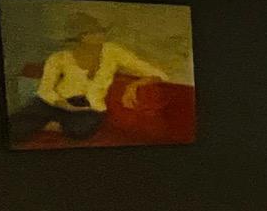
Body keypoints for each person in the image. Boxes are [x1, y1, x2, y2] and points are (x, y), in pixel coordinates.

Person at [10, 11, 170, 144]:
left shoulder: (113, 51)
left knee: (81, 130)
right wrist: (67, 106)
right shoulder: (59, 57)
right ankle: (46, 123)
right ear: (80, 37)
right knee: (15, 127)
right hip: (57, 102)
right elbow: (45, 90)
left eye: (100, 31)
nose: (100, 35)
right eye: (92, 32)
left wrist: (133, 86)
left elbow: (158, 73)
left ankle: (48, 125)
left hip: (89, 108)